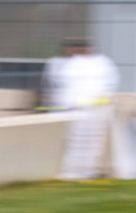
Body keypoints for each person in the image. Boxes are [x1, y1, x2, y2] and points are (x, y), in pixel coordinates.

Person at [45, 38, 120, 180]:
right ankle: (72, 171)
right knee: (73, 141)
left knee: (91, 143)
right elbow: (57, 87)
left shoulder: (101, 63)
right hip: (74, 109)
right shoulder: (64, 63)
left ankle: (86, 172)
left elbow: (108, 87)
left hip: (95, 110)